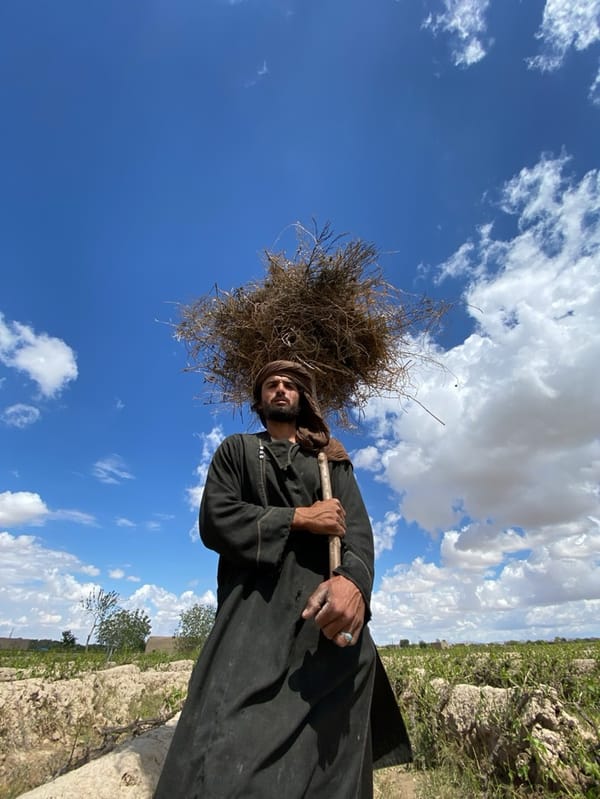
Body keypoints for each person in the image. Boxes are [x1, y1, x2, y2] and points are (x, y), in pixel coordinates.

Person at [154, 360, 411, 799]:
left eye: (290, 385)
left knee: (332, 767)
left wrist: (353, 585)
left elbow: (361, 536)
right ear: (259, 400)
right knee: (226, 751)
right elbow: (216, 519)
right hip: (252, 616)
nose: (280, 389)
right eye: (271, 384)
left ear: (302, 398)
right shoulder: (236, 450)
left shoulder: (331, 462)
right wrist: (300, 518)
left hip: (324, 623)